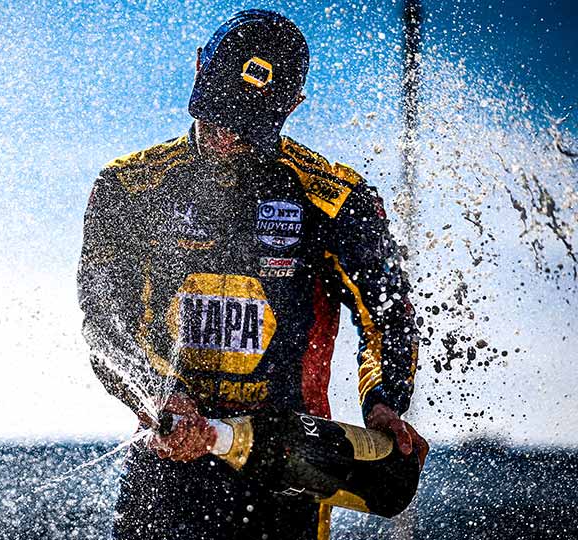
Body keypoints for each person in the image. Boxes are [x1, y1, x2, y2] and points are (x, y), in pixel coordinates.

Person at [77, 9, 428, 540]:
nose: (225, 134)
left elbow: (387, 310)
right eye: (214, 112)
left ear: (292, 106)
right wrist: (159, 395)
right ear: (198, 69)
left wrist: (384, 402)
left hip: (287, 459)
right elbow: (102, 323)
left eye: (245, 125)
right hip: (167, 451)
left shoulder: (335, 199)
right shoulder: (127, 188)